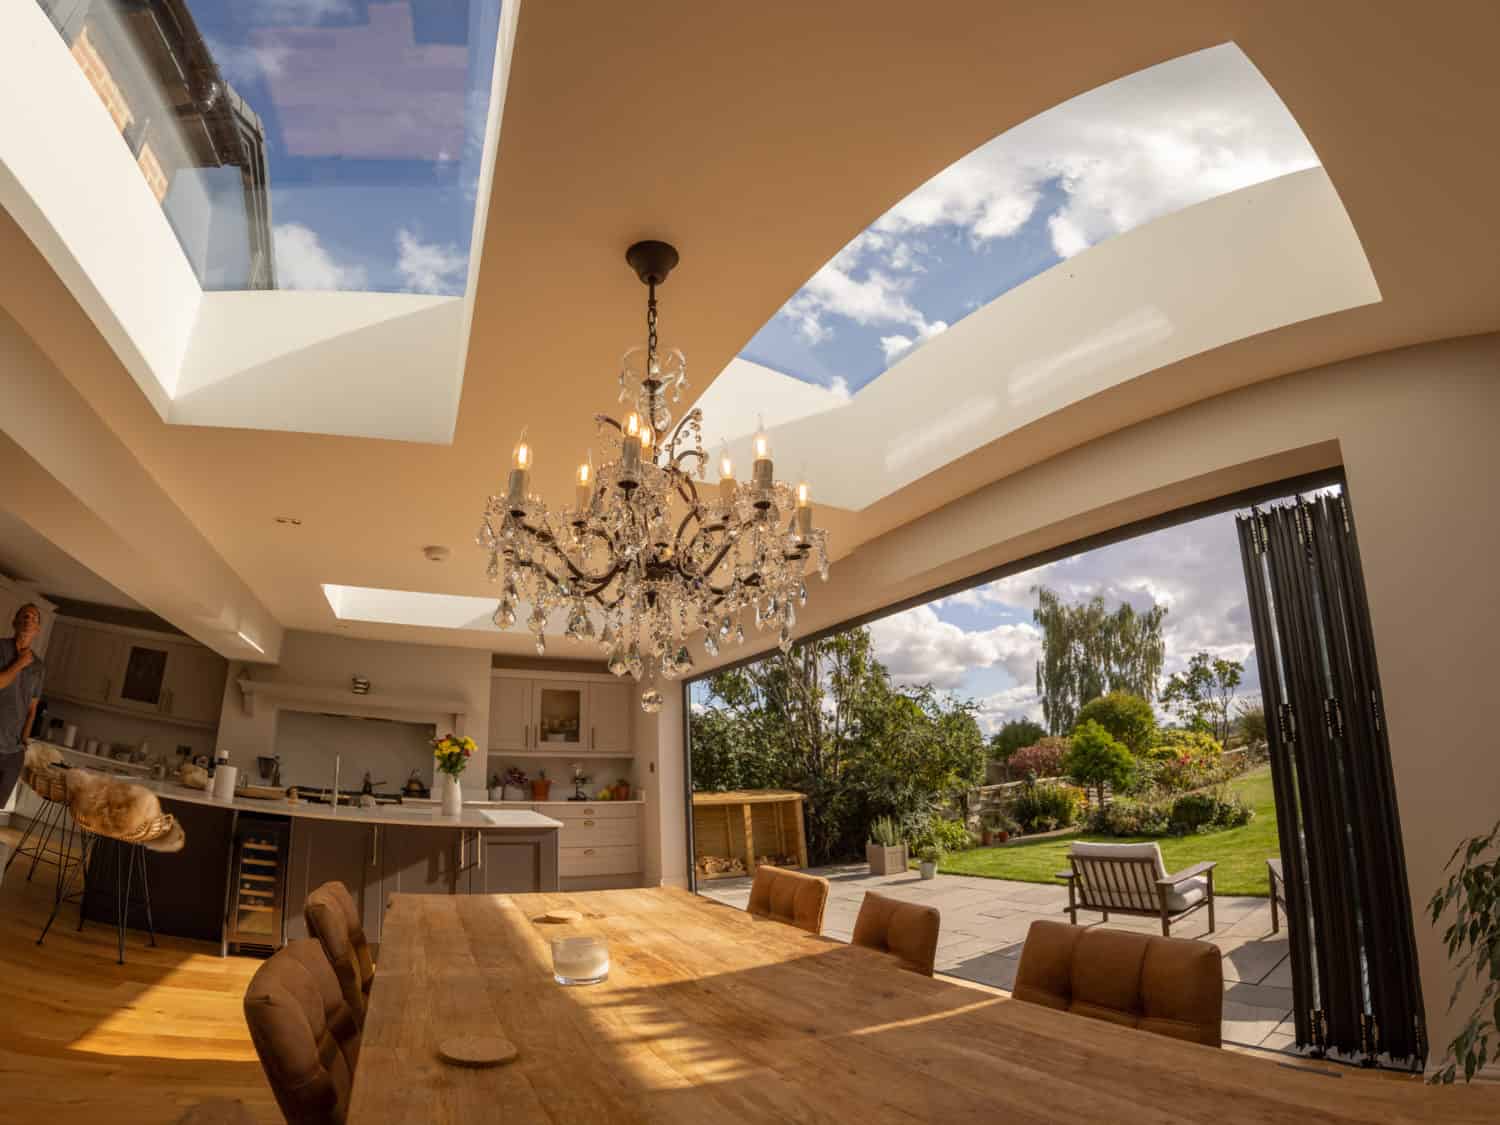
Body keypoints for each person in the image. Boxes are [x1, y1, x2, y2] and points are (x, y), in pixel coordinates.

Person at [0, 604, 45, 806]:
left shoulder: (39, 666)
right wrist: (19, 663)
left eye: (34, 618)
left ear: (37, 630)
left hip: (13, 751)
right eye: (24, 616)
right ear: (15, 622)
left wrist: (23, 743)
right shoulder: (0, 648)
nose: (28, 620)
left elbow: (32, 708)